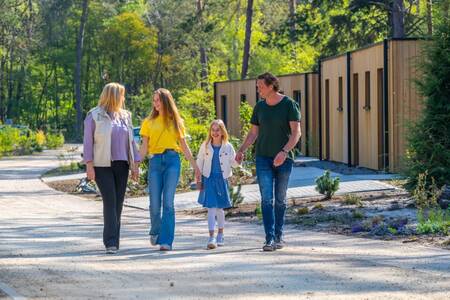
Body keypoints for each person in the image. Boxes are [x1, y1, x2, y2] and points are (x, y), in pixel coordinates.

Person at [236, 72, 301, 251]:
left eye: (261, 86)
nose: (258, 90)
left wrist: (284, 152)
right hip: (263, 157)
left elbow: (296, 133)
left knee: (280, 199)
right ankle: (269, 239)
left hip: (284, 159)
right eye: (258, 87)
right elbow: (253, 133)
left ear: (272, 86)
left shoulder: (289, 105)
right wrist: (241, 149)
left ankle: (279, 235)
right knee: (266, 199)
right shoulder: (259, 107)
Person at [139, 88, 201, 251]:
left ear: (166, 101)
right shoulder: (148, 122)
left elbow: (184, 146)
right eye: (154, 101)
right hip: (155, 162)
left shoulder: (176, 121)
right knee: (154, 203)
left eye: (158, 100)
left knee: (168, 202)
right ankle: (155, 230)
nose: (156, 103)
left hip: (173, 161)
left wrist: (195, 167)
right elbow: (144, 147)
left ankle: (166, 240)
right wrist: (135, 165)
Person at [83, 82, 141, 254]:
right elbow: (87, 142)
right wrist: (89, 165)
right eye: (121, 95)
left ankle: (115, 239)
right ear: (114, 96)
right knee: (110, 201)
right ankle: (110, 242)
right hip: (102, 165)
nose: (123, 98)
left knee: (119, 203)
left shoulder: (125, 116)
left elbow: (131, 142)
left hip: (122, 164)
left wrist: (135, 164)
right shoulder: (94, 115)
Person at [196, 120, 239, 249]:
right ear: (210, 131)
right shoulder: (205, 146)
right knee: (211, 208)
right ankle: (211, 237)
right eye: (213, 130)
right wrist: (198, 180)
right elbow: (199, 162)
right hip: (208, 179)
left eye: (217, 130)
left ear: (222, 132)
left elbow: (234, 163)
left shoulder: (228, 146)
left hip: (222, 179)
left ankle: (220, 234)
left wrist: (239, 160)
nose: (215, 133)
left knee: (219, 209)